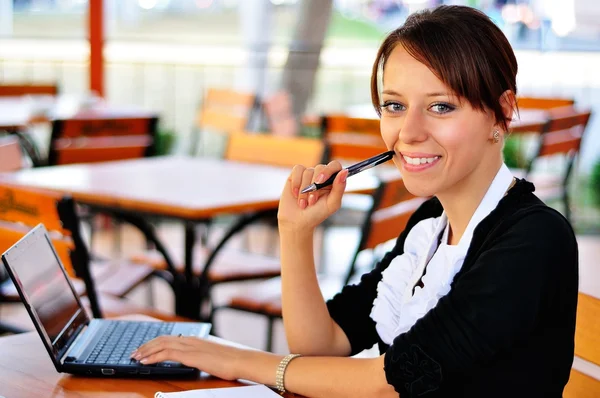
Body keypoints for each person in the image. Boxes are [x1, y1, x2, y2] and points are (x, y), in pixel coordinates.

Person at [131, 5, 578, 397]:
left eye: (441, 106)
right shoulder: (431, 226)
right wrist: (295, 231)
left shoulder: (534, 239)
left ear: (502, 112)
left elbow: (393, 381)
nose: (409, 132)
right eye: (394, 106)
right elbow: (322, 345)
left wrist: (239, 359)